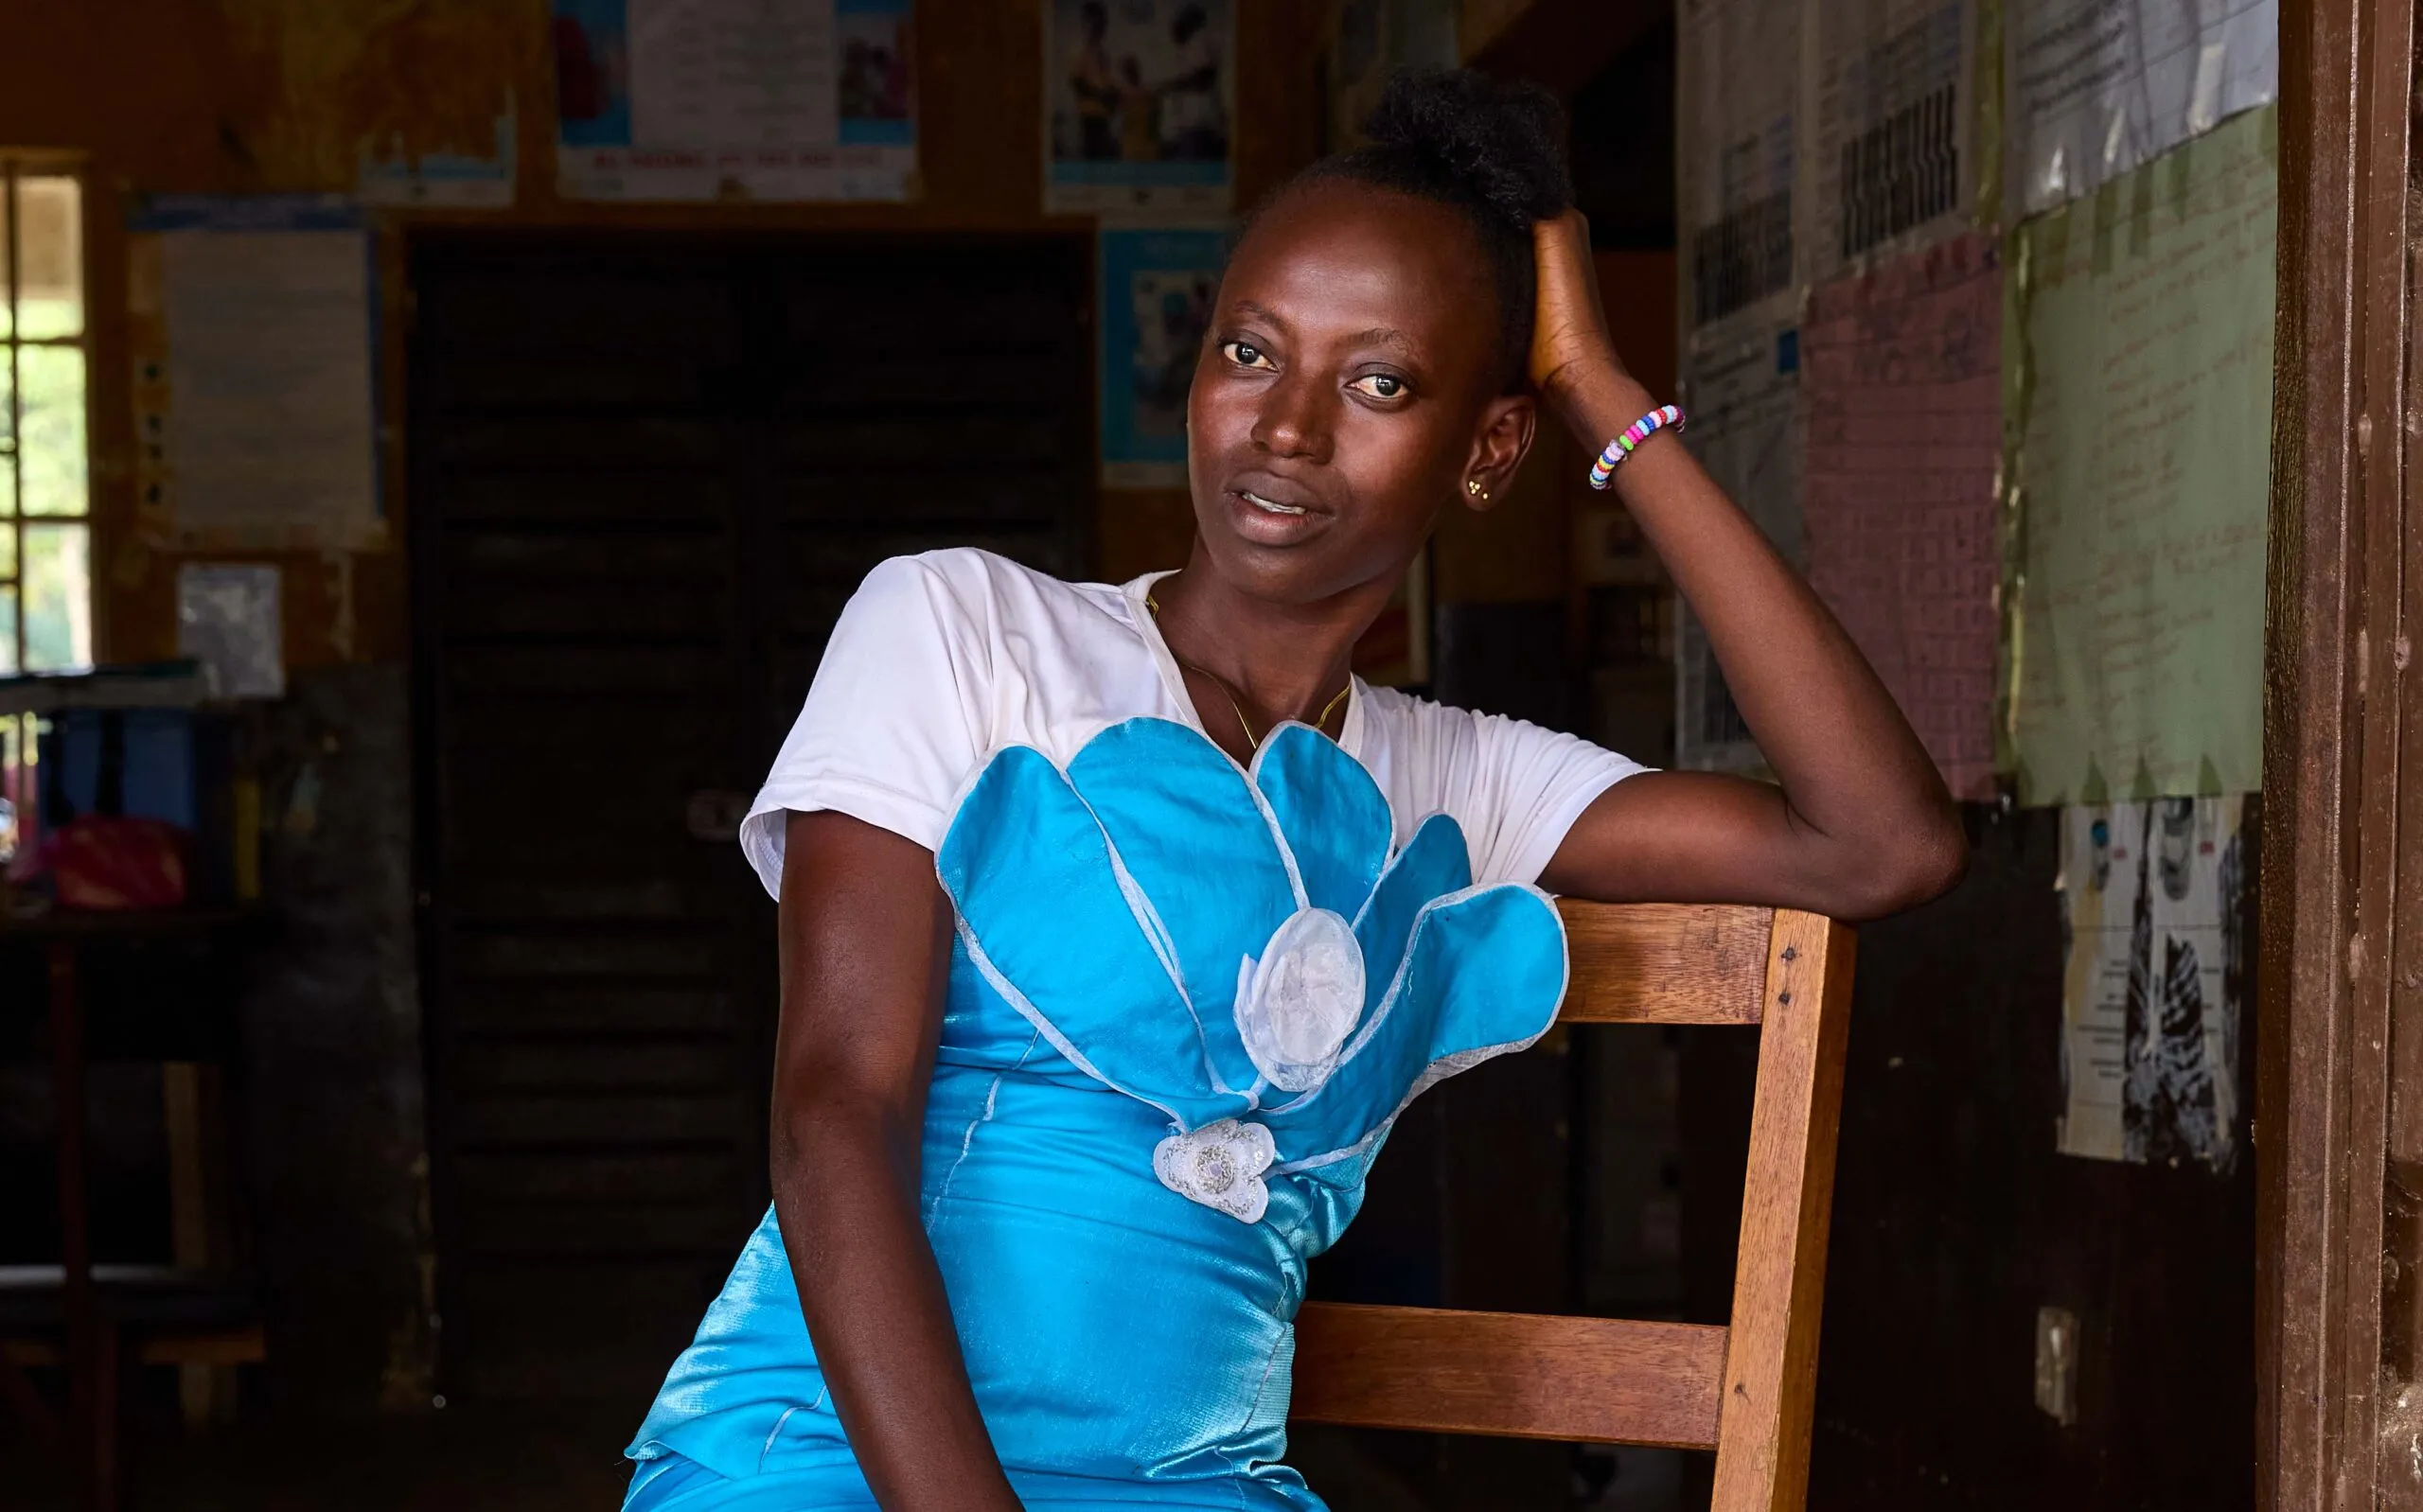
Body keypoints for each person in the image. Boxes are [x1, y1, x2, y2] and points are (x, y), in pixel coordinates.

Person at [621, 68, 1964, 1512]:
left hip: (1196, 1484)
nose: (1286, 427)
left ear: (1490, 447)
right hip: (826, 1461)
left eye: (1377, 382)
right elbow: (835, 1109)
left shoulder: (1458, 786)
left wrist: (1601, 395)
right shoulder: (964, 630)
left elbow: (1880, 842)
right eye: (1250, 351)